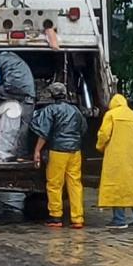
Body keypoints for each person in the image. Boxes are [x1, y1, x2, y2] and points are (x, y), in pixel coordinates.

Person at [31, 82, 87, 229]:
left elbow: (43, 133)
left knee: (55, 184)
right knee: (75, 184)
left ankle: (56, 217)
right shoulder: (75, 110)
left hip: (58, 150)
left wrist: (37, 151)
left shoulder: (50, 110)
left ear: (51, 95)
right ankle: (78, 218)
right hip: (75, 151)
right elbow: (83, 128)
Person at [96, 94, 133, 229]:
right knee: (132, 187)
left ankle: (119, 219)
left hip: (115, 156)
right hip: (132, 156)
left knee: (116, 186)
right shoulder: (132, 115)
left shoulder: (111, 115)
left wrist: (100, 147)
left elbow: (104, 134)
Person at [0, 52, 35, 159]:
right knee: (25, 125)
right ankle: (22, 153)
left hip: (10, 91)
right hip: (29, 94)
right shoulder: (17, 58)